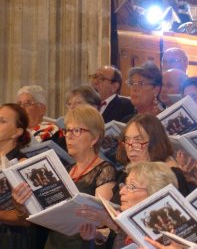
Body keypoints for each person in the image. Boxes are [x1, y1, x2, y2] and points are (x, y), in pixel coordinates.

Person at [12, 105, 117, 249]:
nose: (69, 135)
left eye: (77, 130)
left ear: (94, 138)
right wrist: (21, 205)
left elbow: (102, 220)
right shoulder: (65, 169)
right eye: (67, 130)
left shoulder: (104, 170)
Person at [77, 161, 178, 249]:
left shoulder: (170, 236)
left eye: (131, 186)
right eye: (124, 185)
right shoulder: (125, 227)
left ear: (154, 193)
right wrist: (90, 239)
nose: (122, 191)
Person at [0, 103, 47, 249]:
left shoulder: (23, 164)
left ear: (17, 132)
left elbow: (27, 218)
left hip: (12, 239)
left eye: (2, 121)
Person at [115, 114, 189, 197]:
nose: (130, 147)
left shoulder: (171, 176)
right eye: (127, 140)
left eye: (138, 140)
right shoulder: (128, 172)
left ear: (154, 143)